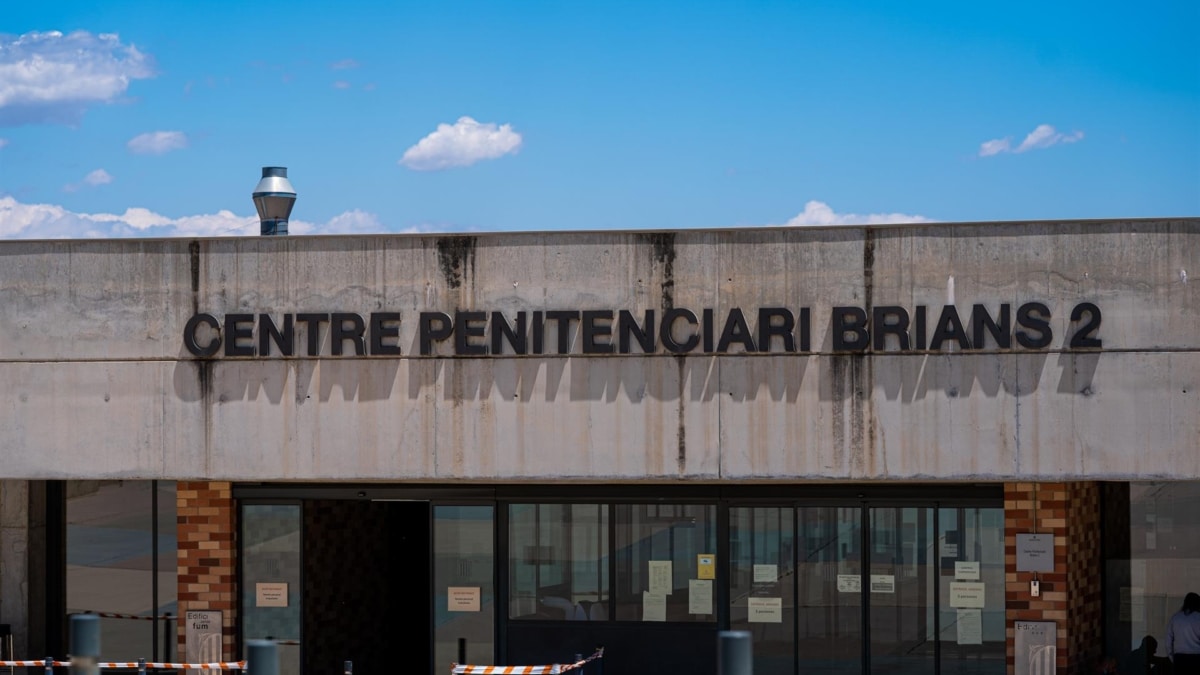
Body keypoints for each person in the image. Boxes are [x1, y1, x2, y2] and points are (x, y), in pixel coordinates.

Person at [1167, 592, 1200, 674]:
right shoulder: (1198, 617)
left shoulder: (1175, 618)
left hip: (1179, 658)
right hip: (1196, 658)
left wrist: (1172, 658)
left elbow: (1168, 641)